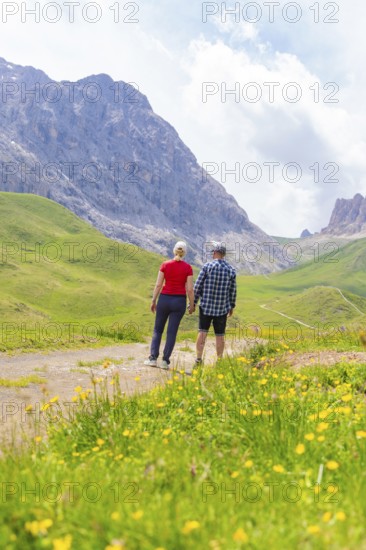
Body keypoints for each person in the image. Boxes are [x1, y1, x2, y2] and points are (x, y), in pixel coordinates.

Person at [144, 241, 195, 369]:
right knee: (171, 332)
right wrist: (192, 304)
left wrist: (153, 300)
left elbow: (158, 284)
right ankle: (165, 361)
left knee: (158, 329)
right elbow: (189, 289)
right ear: (185, 253)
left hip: (164, 299)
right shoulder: (188, 268)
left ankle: (153, 358)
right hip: (179, 302)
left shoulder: (165, 265)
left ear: (174, 251)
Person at [193, 242, 236, 365]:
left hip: (206, 306)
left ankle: (199, 359)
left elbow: (198, 286)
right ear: (224, 254)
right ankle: (219, 360)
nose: (212, 254)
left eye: (213, 252)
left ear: (216, 253)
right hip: (222, 309)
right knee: (220, 335)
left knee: (202, 332)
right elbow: (233, 290)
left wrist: (193, 303)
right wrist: (231, 306)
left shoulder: (207, 266)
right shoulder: (231, 270)